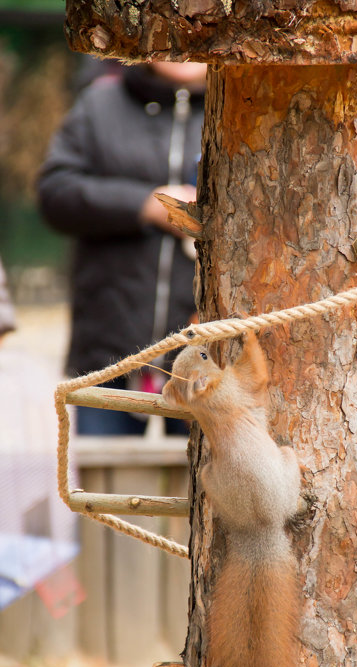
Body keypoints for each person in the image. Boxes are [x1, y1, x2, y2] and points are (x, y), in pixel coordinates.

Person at [37, 61, 206, 435]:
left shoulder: (247, 105)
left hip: (202, 358)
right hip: (107, 349)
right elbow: (55, 193)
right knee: (96, 485)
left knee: (205, 483)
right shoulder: (100, 104)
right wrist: (145, 205)